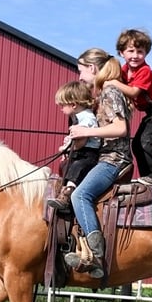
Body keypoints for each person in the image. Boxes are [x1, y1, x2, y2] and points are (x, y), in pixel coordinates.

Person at [64, 48, 133, 279]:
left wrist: (84, 130)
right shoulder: (105, 91)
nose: (81, 77)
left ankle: (95, 254)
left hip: (114, 159)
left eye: (81, 70)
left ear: (92, 68)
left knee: (79, 195)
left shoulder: (110, 91)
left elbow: (120, 128)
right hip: (104, 156)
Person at [104, 28, 152, 185]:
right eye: (130, 51)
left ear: (146, 53)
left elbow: (134, 92)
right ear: (121, 53)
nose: (135, 56)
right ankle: (146, 176)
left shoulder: (145, 71)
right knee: (137, 144)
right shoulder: (124, 71)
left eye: (140, 51)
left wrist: (114, 83)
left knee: (147, 143)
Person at [47, 80, 100, 213]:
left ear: (74, 104)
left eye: (62, 105)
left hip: (88, 154)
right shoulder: (77, 117)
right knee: (65, 165)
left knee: (77, 167)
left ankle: (68, 192)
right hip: (79, 151)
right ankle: (65, 191)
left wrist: (66, 148)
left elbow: (81, 141)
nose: (61, 108)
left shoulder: (86, 118)